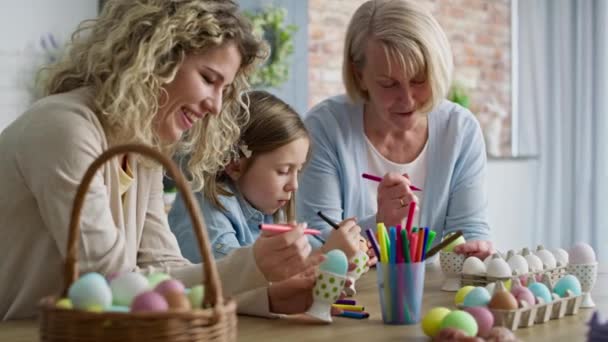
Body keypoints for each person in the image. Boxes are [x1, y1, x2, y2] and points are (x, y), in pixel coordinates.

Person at [0, 0, 317, 320]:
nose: (217, 107)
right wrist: (252, 265)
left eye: (225, 89)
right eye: (209, 79)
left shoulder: (141, 149)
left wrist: (264, 299)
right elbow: (113, 282)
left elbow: (162, 269)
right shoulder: (64, 128)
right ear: (156, 58)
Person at [297, 0, 493, 260]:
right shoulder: (325, 128)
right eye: (388, 83)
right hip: (349, 297)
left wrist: (475, 251)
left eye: (419, 80)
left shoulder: (460, 131)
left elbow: (468, 231)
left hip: (436, 295)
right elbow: (318, 247)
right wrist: (380, 224)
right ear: (359, 76)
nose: (408, 99)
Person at [169, 90, 362, 262]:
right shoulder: (207, 209)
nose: (293, 186)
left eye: (298, 171)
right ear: (236, 165)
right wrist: (327, 255)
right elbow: (230, 274)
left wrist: (338, 249)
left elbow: (306, 244)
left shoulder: (265, 208)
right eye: (284, 171)